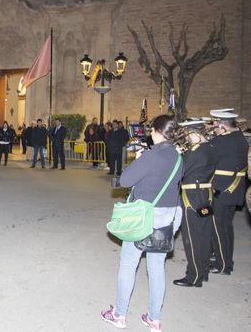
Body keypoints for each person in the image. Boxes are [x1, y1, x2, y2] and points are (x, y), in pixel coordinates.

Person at [101, 115, 183, 332]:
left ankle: (119, 315)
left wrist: (138, 159)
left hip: (144, 217)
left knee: (128, 265)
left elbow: (126, 180)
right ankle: (154, 319)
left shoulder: (151, 156)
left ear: (156, 131)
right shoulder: (177, 157)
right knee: (157, 268)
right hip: (168, 217)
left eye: (151, 131)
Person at [172, 120, 217, 288]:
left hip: (192, 197)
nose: (187, 138)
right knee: (204, 235)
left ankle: (193, 276)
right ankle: (203, 271)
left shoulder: (194, 153)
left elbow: (180, 171)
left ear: (195, 133)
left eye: (187, 134)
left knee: (192, 237)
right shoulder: (210, 148)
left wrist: (178, 155)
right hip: (206, 195)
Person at [208, 109, 249, 275]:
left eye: (216, 125)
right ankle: (223, 259)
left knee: (219, 228)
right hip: (233, 189)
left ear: (224, 127)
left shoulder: (222, 141)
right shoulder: (240, 138)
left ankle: (223, 264)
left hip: (221, 191)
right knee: (225, 227)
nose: (214, 128)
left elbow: (205, 153)